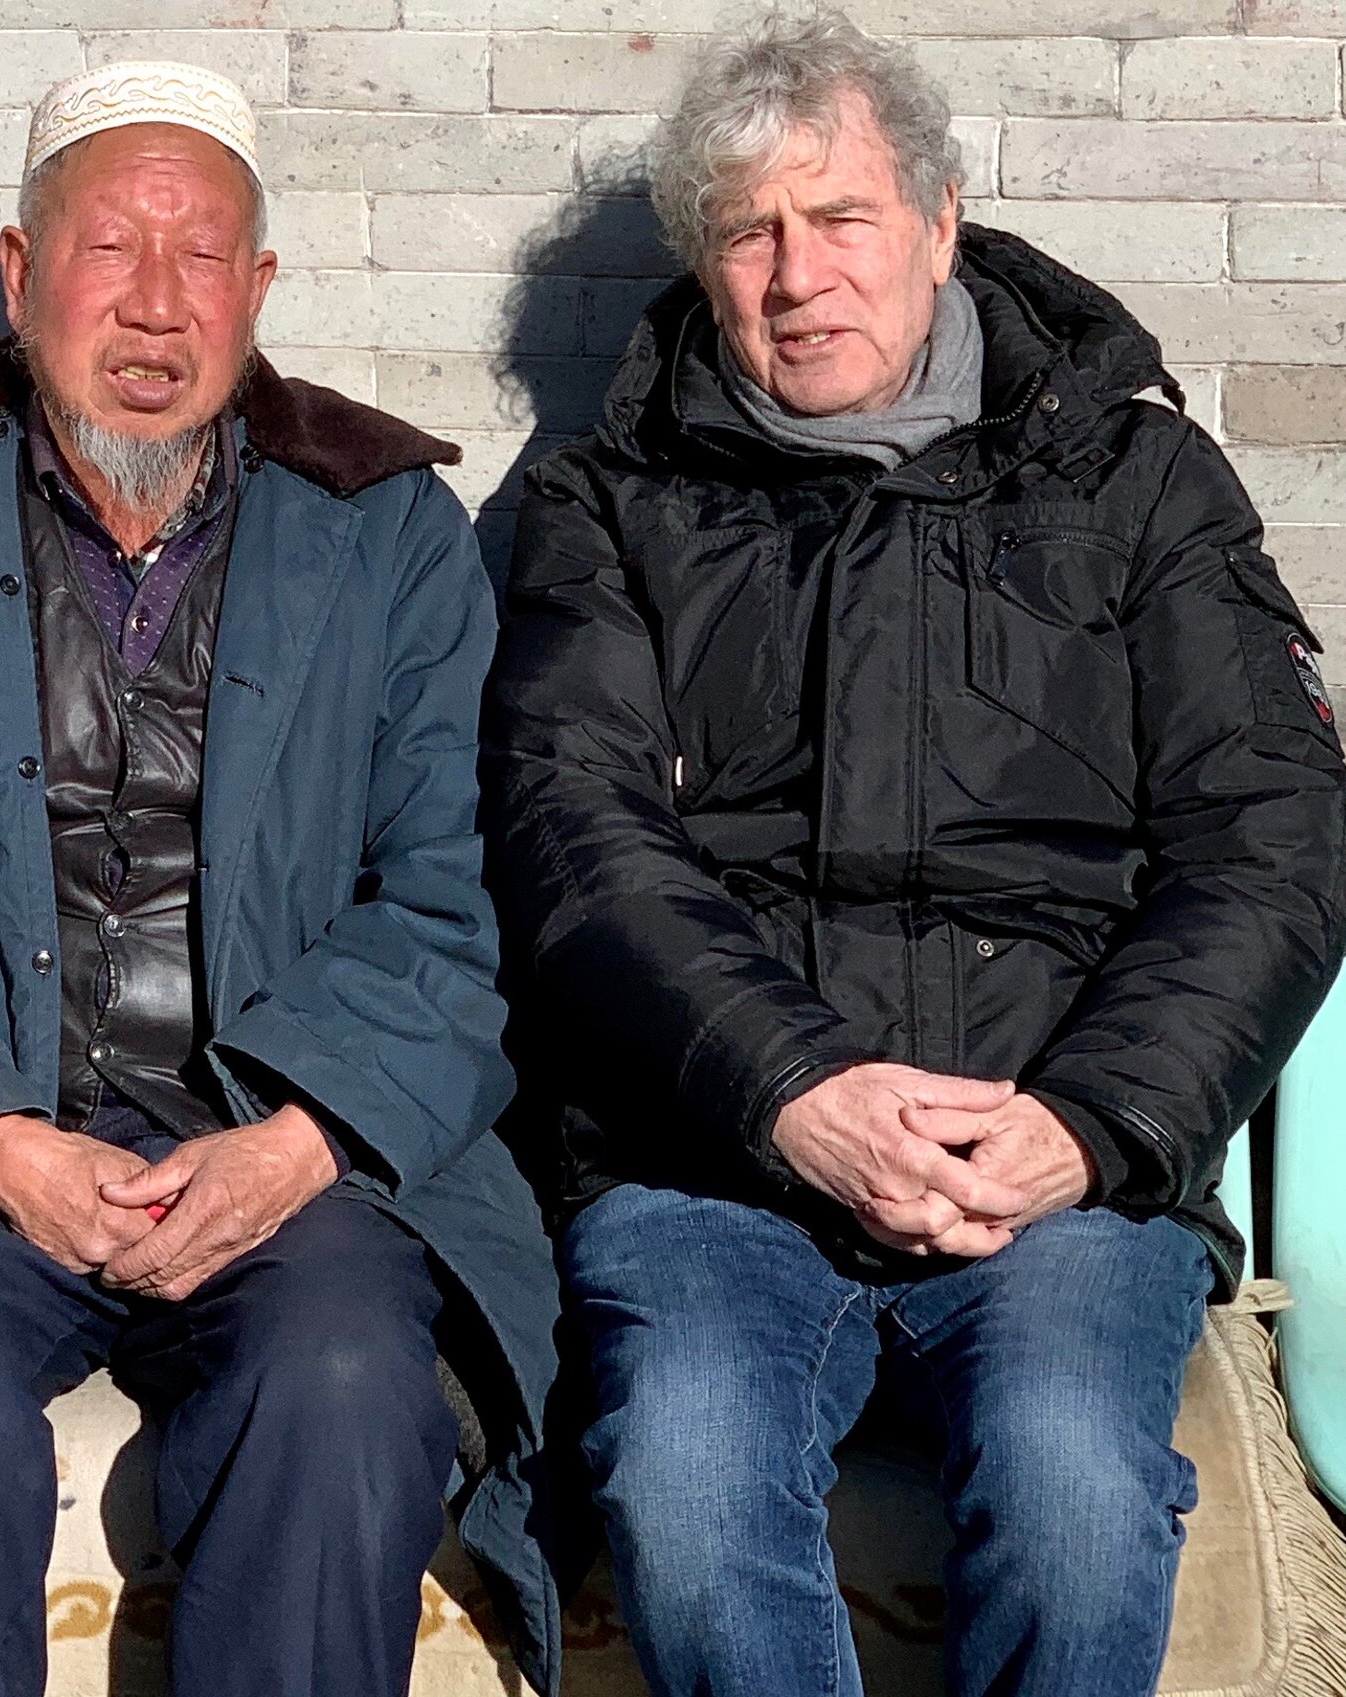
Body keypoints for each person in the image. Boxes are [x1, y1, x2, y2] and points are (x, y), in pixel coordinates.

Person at [483, 12, 1346, 1695]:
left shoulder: (1142, 480)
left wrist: (1091, 1124)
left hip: (1057, 1159)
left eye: (843, 217)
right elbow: (572, 840)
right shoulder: (608, 502)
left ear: (942, 221)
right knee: (685, 1484)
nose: (798, 275)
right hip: (712, 1158)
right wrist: (793, 1087)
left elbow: (1273, 836)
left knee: (1079, 1497)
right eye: (750, 233)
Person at [0, 61, 561, 1697]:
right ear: (21, 278)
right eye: (108, 249)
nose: (155, 309)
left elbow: (456, 894)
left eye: (202, 255)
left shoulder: (392, 540)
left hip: (292, 1161)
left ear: (261, 291)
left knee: (348, 1374)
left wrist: (295, 1146)